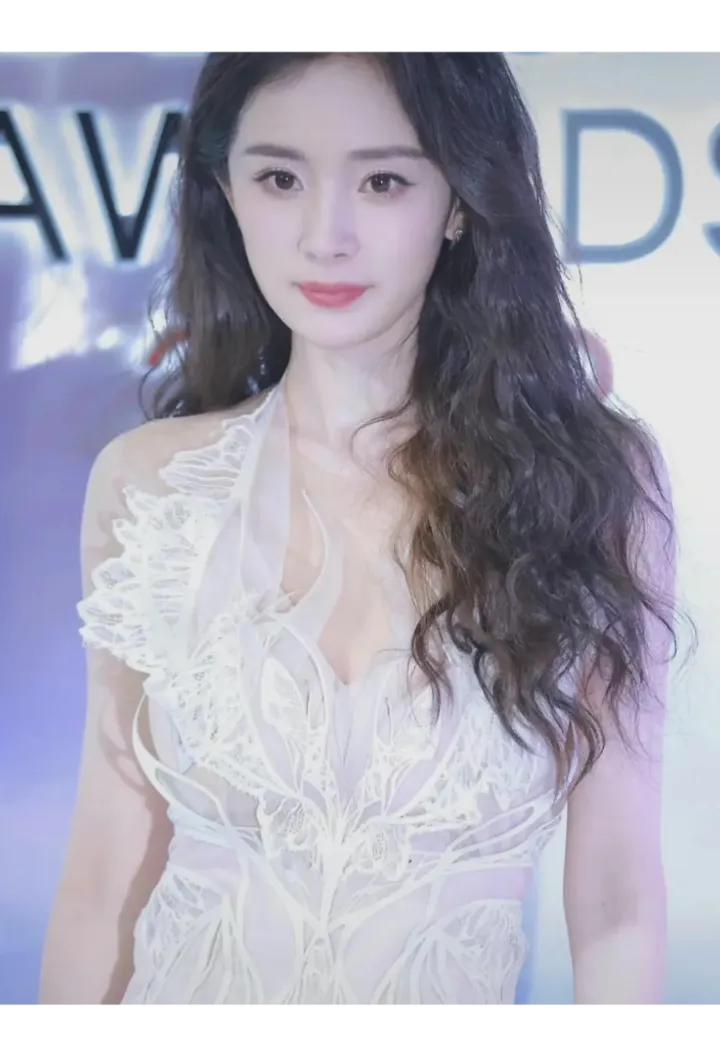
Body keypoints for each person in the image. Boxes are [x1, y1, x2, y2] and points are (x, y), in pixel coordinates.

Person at [40, 52, 686, 1004]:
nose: (324, 237)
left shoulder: (593, 485)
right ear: (227, 192)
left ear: (458, 201)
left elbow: (617, 899)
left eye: (383, 181)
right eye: (280, 179)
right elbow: (107, 872)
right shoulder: (150, 483)